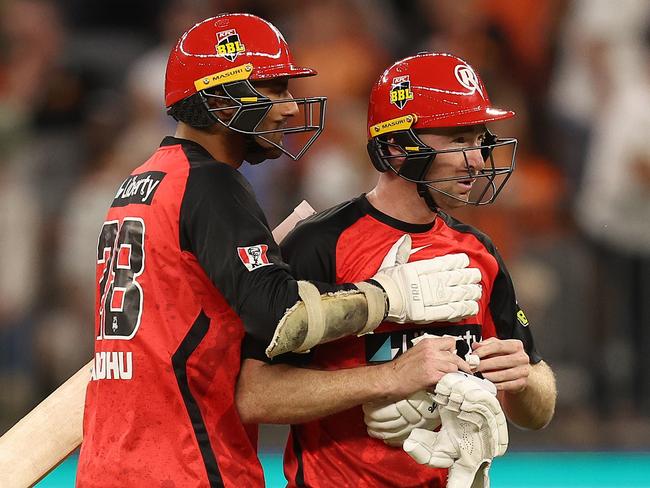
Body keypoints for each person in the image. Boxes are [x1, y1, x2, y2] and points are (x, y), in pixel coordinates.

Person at [75, 16, 484, 488]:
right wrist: (387, 297)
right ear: (220, 96)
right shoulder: (209, 183)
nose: (290, 108)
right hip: (186, 461)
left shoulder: (141, 182)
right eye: (273, 90)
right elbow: (280, 316)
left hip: (114, 458)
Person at [236, 53, 557, 487]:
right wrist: (388, 377)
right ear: (395, 148)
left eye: (479, 140)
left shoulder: (479, 251)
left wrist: (524, 381)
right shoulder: (318, 244)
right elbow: (256, 396)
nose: (478, 161)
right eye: (458, 139)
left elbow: (538, 412)